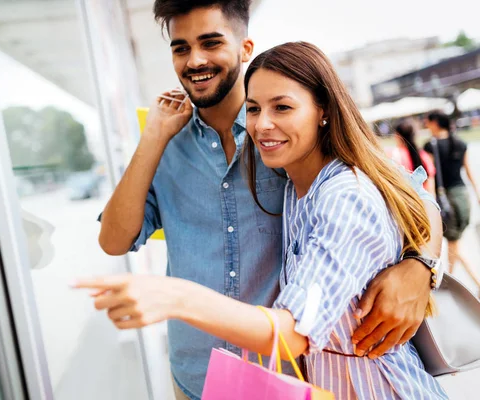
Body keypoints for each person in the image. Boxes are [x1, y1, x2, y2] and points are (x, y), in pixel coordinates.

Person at [96, 1, 443, 398]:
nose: (195, 60)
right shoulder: (167, 143)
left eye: (210, 43)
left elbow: (409, 196)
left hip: (290, 376)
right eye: (180, 48)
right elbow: (113, 241)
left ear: (245, 48)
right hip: (198, 376)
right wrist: (152, 138)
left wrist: (421, 266)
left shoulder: (288, 138)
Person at [423, 111, 480, 288]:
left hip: (446, 199)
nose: (426, 125)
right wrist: (477, 195)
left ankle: (456, 284)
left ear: (435, 123)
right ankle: (451, 283)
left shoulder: (431, 146)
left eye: (428, 122)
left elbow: (431, 177)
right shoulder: (460, 143)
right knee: (455, 245)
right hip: (462, 195)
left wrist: (430, 203)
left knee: (454, 246)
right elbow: (468, 171)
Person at [390, 121, 435, 193]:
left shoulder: (395, 155)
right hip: (425, 199)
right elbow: (431, 182)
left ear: (398, 136)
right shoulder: (423, 155)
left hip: (408, 200)